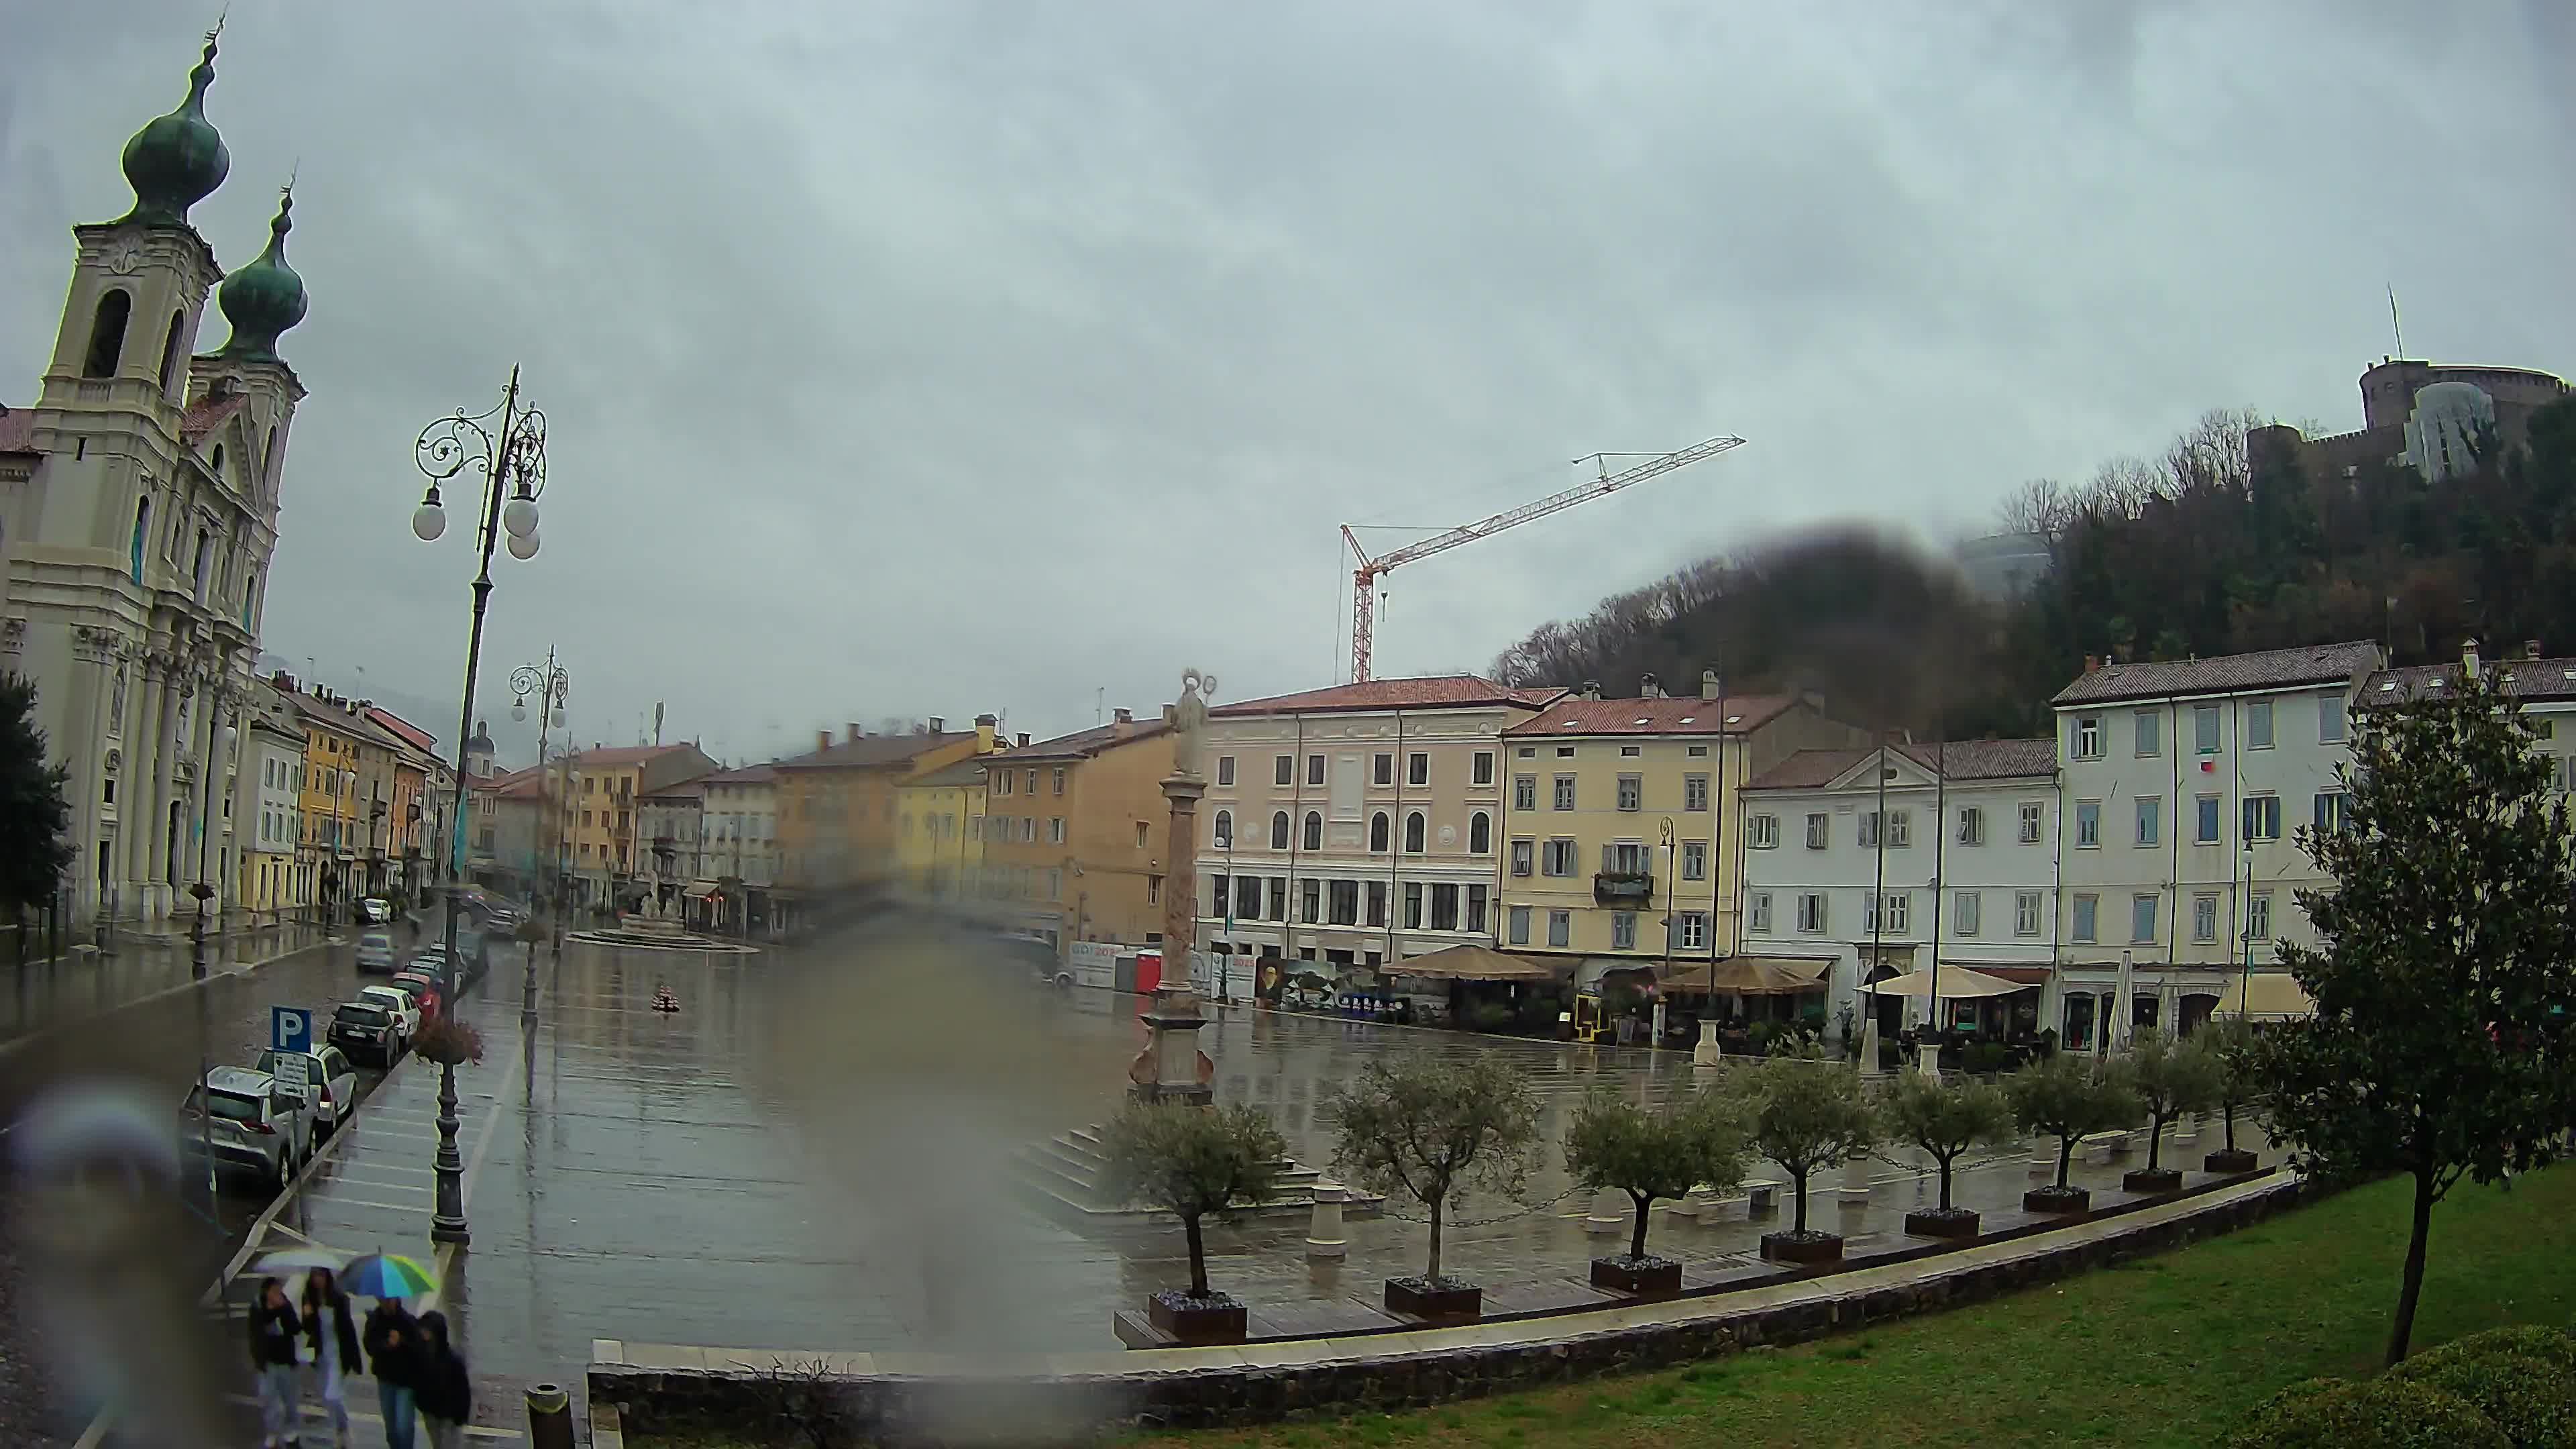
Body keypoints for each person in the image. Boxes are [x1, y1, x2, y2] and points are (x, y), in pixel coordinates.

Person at [301, 1267, 362, 1447]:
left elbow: (348, 1330)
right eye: (315, 1276)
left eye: (321, 1276)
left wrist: (355, 1360)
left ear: (327, 1278)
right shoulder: (309, 1298)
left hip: (338, 1355)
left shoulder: (339, 1299)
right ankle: (339, 1430)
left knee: (333, 1395)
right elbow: (307, 1329)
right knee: (327, 1397)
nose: (318, 1280)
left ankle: (342, 1431)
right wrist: (308, 1315)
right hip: (320, 1355)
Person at [248, 1277, 303, 1448]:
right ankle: (272, 1432)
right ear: (266, 1292)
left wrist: (284, 1309)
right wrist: (258, 1360)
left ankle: (291, 1430)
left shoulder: (285, 1306)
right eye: (274, 1292)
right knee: (268, 1397)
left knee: (290, 1400)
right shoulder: (258, 1309)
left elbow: (295, 1328)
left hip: (285, 1361)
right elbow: (255, 1333)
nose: (277, 1294)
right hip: (267, 1362)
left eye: (279, 1291)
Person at [362, 1295, 421, 1449]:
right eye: (382, 1299)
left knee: (403, 1425)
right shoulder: (375, 1320)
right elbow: (369, 1346)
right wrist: (387, 1345)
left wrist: (401, 1342)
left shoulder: (408, 1321)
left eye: (390, 1299)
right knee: (391, 1427)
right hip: (385, 1379)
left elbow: (418, 1349)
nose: (386, 1302)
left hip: (406, 1381)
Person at [413, 1310, 473, 1449]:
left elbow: (463, 1390)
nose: (424, 1334)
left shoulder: (453, 1360)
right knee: (437, 1444)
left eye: (428, 1330)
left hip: (449, 1415)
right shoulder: (422, 1355)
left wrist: (461, 1415)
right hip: (431, 1411)